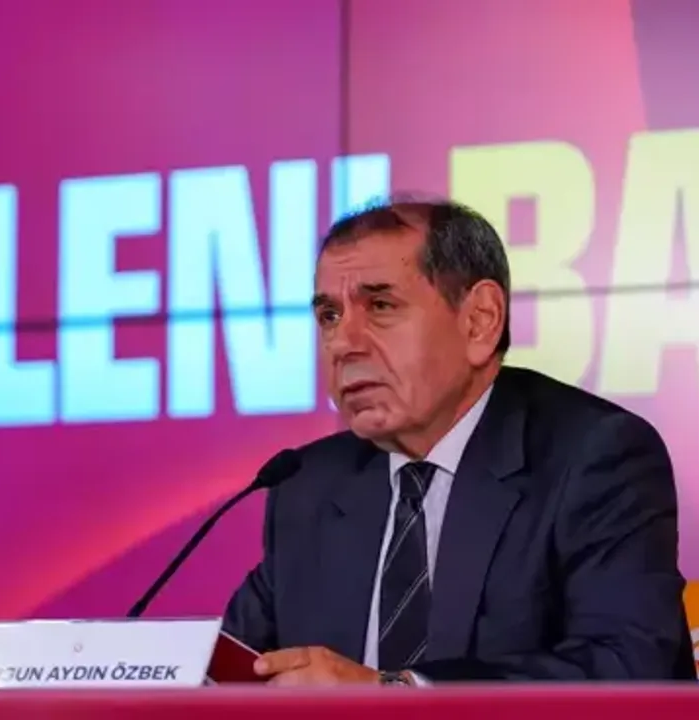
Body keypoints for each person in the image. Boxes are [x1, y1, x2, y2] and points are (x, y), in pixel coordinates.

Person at [221, 198, 695, 684]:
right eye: (329, 316)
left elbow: (627, 666)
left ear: (479, 321)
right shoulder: (307, 485)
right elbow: (227, 669)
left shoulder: (594, 457)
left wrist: (393, 694)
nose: (342, 343)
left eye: (380, 306)